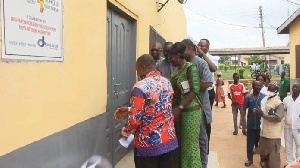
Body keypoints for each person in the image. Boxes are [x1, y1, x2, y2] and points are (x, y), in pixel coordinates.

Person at [115, 54, 178, 168]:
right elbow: (159, 107)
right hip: (168, 140)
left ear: (143, 67)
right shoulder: (167, 83)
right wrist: (130, 109)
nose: (137, 73)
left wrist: (125, 132)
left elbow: (135, 120)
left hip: (148, 145)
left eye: (137, 69)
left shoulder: (140, 87)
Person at [169, 42, 202, 168]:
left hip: (191, 112)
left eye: (171, 57)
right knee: (179, 145)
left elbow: (195, 90)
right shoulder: (177, 71)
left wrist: (180, 108)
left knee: (190, 146)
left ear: (177, 55)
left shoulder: (190, 68)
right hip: (179, 112)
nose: (170, 60)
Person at [182, 39, 212, 168]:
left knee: (201, 137)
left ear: (189, 48)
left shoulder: (200, 63)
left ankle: (203, 163)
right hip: (187, 107)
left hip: (200, 105)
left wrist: (191, 84)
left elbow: (208, 83)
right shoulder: (183, 64)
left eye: (183, 50)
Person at [254, 82, 285, 168]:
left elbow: (278, 118)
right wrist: (258, 111)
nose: (269, 90)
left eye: (271, 89)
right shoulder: (265, 99)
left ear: (276, 90)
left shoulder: (279, 103)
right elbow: (264, 112)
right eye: (268, 88)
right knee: (266, 156)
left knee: (273, 159)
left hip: (273, 136)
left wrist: (263, 114)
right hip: (265, 133)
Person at [197, 39, 219, 156]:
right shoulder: (194, 58)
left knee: (206, 120)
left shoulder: (211, 57)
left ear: (208, 48)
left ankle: (206, 148)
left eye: (202, 46)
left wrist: (203, 55)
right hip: (196, 92)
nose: (199, 47)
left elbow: (213, 68)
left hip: (208, 93)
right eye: (199, 45)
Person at [241, 81, 265, 167]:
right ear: (253, 87)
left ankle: (262, 160)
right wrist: (241, 120)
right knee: (250, 143)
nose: (258, 87)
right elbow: (244, 109)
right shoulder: (248, 97)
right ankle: (250, 159)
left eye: (259, 85)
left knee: (261, 143)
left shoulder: (263, 97)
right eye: (257, 85)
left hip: (261, 125)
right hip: (251, 124)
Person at [283, 82, 300, 166]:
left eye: (296, 87)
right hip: (288, 126)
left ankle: (298, 164)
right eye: (293, 87)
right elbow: (284, 110)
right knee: (288, 146)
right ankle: (289, 164)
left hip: (298, 127)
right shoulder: (286, 99)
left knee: (299, 145)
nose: (294, 88)